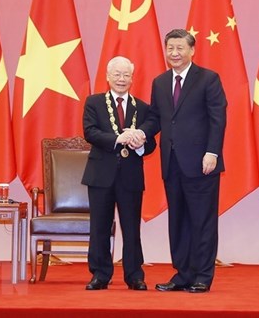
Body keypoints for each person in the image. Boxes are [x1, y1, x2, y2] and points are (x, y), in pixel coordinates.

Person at [134, 29, 227, 293]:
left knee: (202, 220)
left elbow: (218, 119)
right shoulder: (160, 82)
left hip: (202, 162)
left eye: (180, 48)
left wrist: (213, 152)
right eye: (170, 48)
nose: (174, 53)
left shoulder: (208, 79)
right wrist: (141, 132)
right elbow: (155, 118)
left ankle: (202, 276)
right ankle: (183, 273)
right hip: (171, 163)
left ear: (192, 50)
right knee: (178, 220)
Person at [82, 56, 156, 291]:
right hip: (100, 174)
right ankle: (100, 274)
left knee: (132, 228)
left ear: (132, 79)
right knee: (100, 226)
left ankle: (134, 275)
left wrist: (140, 144)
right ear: (108, 76)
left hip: (131, 176)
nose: (122, 79)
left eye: (126, 75)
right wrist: (118, 139)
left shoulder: (142, 107)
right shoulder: (93, 102)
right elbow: (90, 132)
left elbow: (152, 143)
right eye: (117, 74)